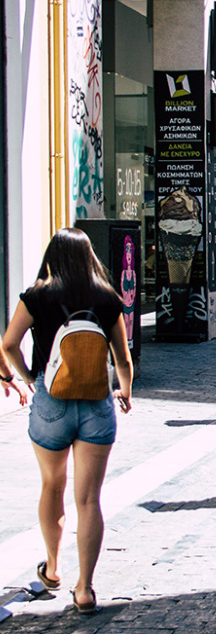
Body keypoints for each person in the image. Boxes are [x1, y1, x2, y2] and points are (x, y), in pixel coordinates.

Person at [1, 228, 133, 616]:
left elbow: (8, 344)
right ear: (89, 256)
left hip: (51, 400)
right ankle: (85, 589)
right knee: (89, 499)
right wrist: (125, 391)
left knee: (51, 485)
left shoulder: (37, 295)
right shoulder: (107, 298)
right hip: (96, 402)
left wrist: (28, 378)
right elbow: (122, 358)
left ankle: (53, 569)